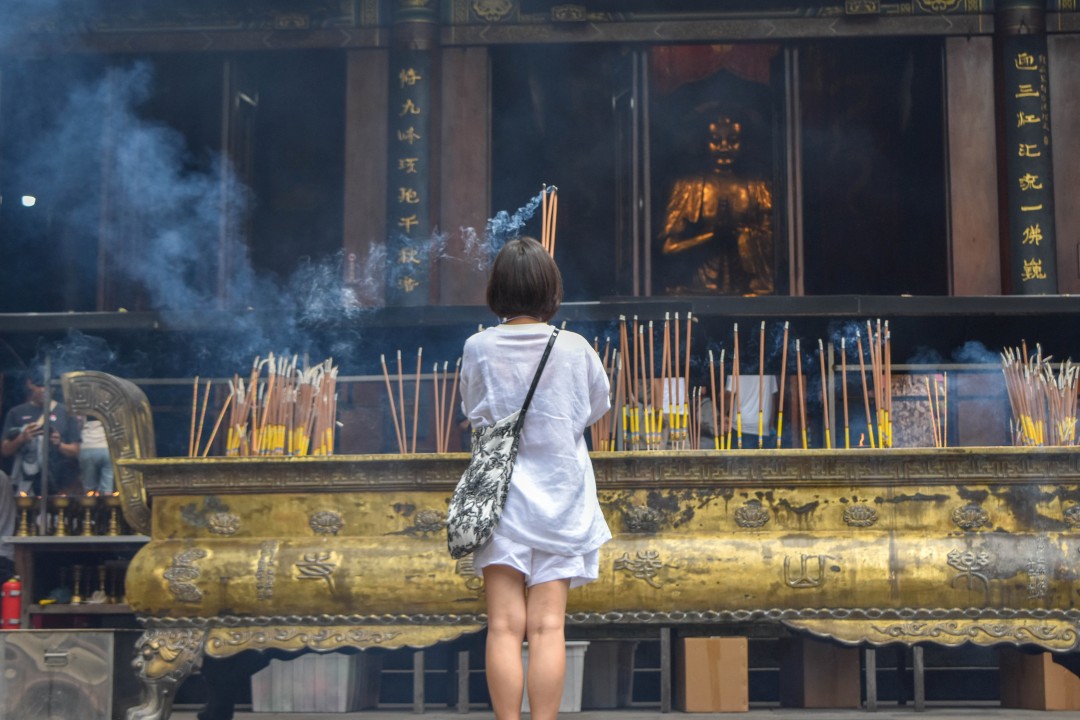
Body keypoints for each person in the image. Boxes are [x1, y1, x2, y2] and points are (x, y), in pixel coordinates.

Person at [459, 236, 611, 720]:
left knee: (503, 627)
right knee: (548, 627)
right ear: (551, 288)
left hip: (499, 502)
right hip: (562, 499)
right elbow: (596, 407)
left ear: (497, 288)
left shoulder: (478, 347)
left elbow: (473, 410)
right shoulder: (574, 348)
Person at [659, 113, 774, 295]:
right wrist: (710, 237)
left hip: (746, 286)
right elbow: (668, 247)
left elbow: (772, 243)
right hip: (699, 286)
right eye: (715, 140)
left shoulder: (757, 186)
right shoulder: (689, 187)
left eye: (733, 140)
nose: (724, 147)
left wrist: (743, 236)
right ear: (703, 143)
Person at [1, 372, 81, 495]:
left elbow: (75, 450)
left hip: (61, 481)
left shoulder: (65, 412)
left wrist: (59, 445)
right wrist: (22, 438)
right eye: (40, 386)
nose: (44, 390)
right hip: (27, 480)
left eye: (49, 386)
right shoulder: (16, 413)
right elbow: (5, 450)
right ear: (30, 384)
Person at [78, 416, 115, 494]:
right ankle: (107, 503)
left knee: (90, 488)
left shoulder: (83, 408)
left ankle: (90, 504)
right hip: (106, 447)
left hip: (87, 446)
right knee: (107, 488)